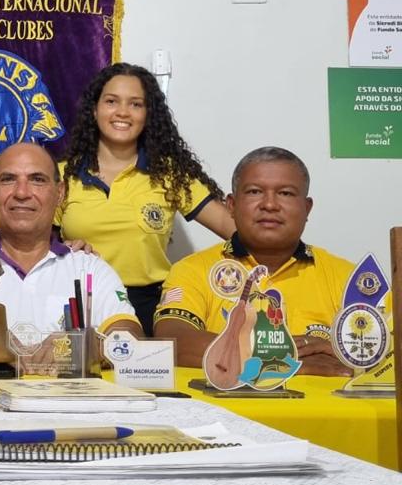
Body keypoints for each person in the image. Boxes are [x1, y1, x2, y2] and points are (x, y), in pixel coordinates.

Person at [154, 147, 378, 375]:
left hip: (326, 410)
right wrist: (280, 361)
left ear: (307, 207)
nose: (269, 205)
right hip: (229, 410)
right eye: (254, 192)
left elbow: (389, 350)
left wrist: (345, 352)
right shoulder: (193, 270)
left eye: (286, 193)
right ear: (231, 205)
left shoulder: (350, 278)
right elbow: (172, 342)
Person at [59, 62, 234, 334]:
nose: (122, 112)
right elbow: (33, 247)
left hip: (148, 309)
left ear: (148, 114)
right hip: (79, 305)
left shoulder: (170, 174)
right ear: (94, 110)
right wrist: (61, 248)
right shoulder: (62, 176)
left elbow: (237, 230)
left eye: (136, 104)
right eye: (111, 101)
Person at [0, 142, 142, 349]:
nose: (21, 192)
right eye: (8, 179)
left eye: (37, 180)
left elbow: (130, 334)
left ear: (60, 194)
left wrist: (80, 348)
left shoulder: (88, 267)